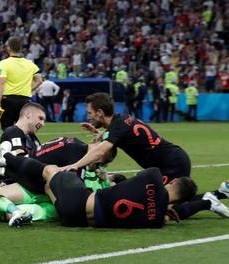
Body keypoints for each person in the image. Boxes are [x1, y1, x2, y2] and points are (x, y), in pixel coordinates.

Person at [60, 92, 229, 220]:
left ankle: (207, 201)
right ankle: (219, 193)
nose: (87, 117)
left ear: (99, 113)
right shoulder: (121, 120)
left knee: (157, 211)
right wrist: (101, 135)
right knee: (168, 202)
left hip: (172, 163)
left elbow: (101, 151)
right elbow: (113, 145)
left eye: (89, 113)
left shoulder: (116, 127)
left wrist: (76, 164)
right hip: (173, 159)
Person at [5, 155, 197, 228]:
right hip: (73, 221)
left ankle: (7, 158)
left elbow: (138, 183)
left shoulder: (154, 176)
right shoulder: (157, 221)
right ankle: (7, 209)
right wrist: (164, 207)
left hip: (79, 201)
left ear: (174, 182)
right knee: (48, 188)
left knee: (52, 170)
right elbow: (151, 206)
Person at [0, 36, 43, 130]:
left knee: (7, 130)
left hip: (8, 100)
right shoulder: (30, 63)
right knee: (22, 129)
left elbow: (1, 83)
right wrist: (29, 89)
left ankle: (10, 144)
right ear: (21, 49)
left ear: (8, 48)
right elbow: (39, 80)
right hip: (24, 100)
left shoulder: (4, 63)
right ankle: (22, 145)